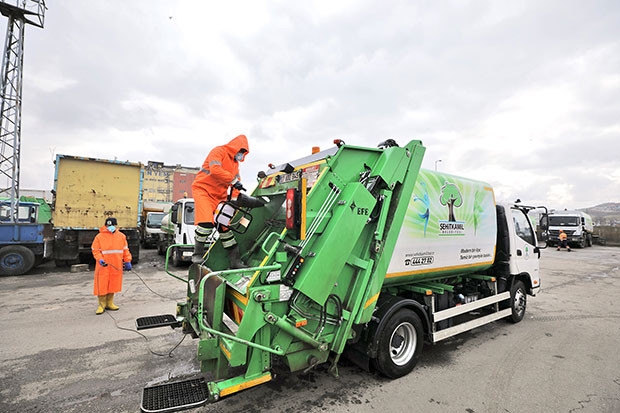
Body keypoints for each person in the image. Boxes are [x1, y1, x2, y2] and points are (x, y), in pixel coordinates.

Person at [191, 134, 249, 267]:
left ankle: (235, 261)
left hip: (220, 196)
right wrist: (233, 181)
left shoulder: (235, 165)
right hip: (203, 190)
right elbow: (215, 170)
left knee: (225, 227)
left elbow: (237, 183)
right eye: (241, 151)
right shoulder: (219, 151)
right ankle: (197, 254)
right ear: (235, 147)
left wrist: (235, 199)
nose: (241, 155)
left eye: (243, 153)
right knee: (206, 223)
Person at [91, 217, 132, 315]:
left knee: (113, 284)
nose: (110, 227)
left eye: (112, 225)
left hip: (116, 264)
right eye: (108, 225)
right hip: (103, 265)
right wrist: (100, 259)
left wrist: (127, 261)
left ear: (116, 225)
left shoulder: (121, 236)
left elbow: (125, 249)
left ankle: (109, 303)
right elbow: (95, 250)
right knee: (102, 285)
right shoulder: (99, 237)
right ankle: (101, 305)